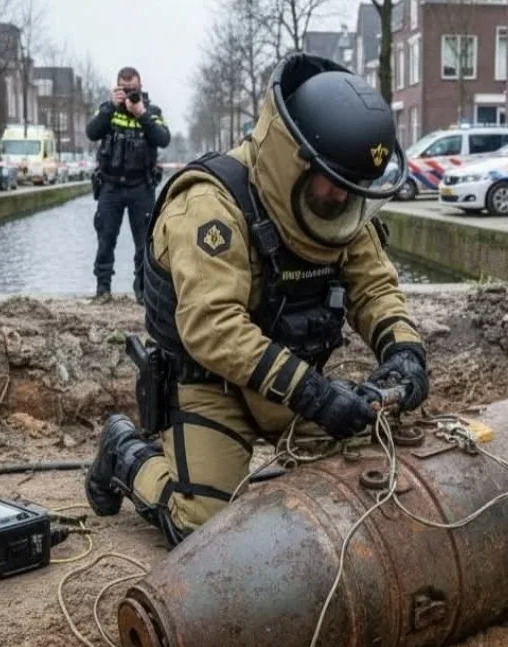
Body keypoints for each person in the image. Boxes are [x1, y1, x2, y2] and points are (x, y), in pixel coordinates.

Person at [82, 53, 429, 547]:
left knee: (369, 472)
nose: (341, 199)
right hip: (210, 382)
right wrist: (315, 393)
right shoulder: (210, 203)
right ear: (297, 159)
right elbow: (213, 326)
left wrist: (404, 353)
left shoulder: (342, 200)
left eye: (355, 189)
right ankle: (125, 452)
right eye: (335, 185)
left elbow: (373, 287)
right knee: (203, 529)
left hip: (286, 375)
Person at [86, 66, 171, 303]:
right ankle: (103, 290)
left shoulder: (152, 111)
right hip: (110, 186)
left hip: (140, 187)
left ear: (140, 87)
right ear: (116, 88)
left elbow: (163, 138)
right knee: (106, 239)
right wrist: (111, 106)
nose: (129, 93)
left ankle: (143, 291)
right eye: (124, 89)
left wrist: (141, 113)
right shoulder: (107, 109)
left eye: (132, 89)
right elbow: (91, 132)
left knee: (144, 243)